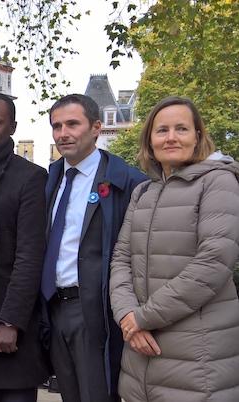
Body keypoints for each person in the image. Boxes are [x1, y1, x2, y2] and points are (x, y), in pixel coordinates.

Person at [110, 96, 239, 402]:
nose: (170, 137)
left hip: (198, 355)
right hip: (139, 354)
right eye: (161, 130)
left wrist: (143, 318)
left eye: (181, 128)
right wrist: (128, 316)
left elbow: (213, 262)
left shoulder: (219, 182)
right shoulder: (143, 191)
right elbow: (121, 260)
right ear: (149, 140)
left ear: (198, 136)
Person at [41, 94, 147, 402]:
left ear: (96, 127)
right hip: (53, 308)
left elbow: (138, 253)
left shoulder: (127, 182)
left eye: (72, 124)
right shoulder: (50, 179)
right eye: (57, 126)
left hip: (94, 311)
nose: (63, 133)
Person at [0, 94, 49, 402]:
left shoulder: (30, 177)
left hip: (12, 326)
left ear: (12, 127)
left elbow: (30, 256)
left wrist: (11, 321)